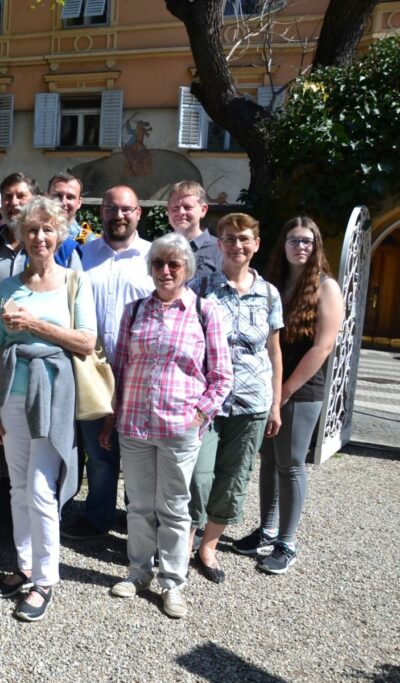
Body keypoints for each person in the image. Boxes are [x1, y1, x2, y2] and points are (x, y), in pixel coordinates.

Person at [0, 197, 97, 622]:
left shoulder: (73, 281)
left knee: (42, 489)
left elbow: (86, 341)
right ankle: (25, 564)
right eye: (32, 230)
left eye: (48, 230)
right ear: (21, 236)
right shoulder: (9, 287)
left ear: (59, 234)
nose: (40, 237)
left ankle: (46, 580)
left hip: (53, 394)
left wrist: (34, 325)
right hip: (10, 392)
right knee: (17, 487)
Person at [105, 232, 232, 619]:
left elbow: (222, 376)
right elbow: (121, 368)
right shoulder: (134, 311)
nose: (165, 271)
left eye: (173, 264)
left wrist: (198, 415)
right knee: (140, 505)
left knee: (175, 509)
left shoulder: (204, 312)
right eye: (158, 263)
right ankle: (139, 571)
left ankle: (172, 582)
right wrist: (114, 416)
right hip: (136, 425)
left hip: (179, 427)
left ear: (186, 270)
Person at [234, 216, 343, 574]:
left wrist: (285, 391)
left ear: (316, 247)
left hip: (302, 388)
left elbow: (322, 347)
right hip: (269, 386)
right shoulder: (274, 284)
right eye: (294, 240)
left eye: (307, 242)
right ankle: (266, 530)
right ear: (282, 244)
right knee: (268, 460)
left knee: (292, 463)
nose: (301, 247)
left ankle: (287, 542)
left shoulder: (326, 287)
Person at [187, 213, 284, 583]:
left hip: (252, 400)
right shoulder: (202, 286)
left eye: (244, 239)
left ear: (256, 243)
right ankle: (187, 541)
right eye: (229, 239)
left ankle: (208, 547)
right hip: (206, 400)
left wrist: (275, 403)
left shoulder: (269, 293)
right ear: (219, 243)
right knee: (198, 475)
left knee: (235, 477)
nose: (237, 245)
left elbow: (273, 351)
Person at [64, 185, 154, 540]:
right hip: (93, 372)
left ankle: (137, 524)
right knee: (98, 454)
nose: (118, 215)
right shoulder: (83, 256)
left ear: (139, 213)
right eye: (111, 208)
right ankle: (97, 518)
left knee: (138, 456)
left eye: (126, 209)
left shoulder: (153, 256)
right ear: (100, 212)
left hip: (138, 374)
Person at [0, 173, 80, 285]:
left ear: (36, 200)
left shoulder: (65, 249)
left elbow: (76, 294)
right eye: (8, 197)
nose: (14, 203)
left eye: (21, 196)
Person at [166, 180, 220, 279]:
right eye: (175, 207)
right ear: (168, 210)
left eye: (187, 207)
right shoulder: (159, 249)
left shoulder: (220, 249)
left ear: (203, 210)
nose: (181, 212)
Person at [47, 172, 97, 244]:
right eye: (58, 195)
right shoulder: (30, 236)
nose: (63, 202)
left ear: (79, 203)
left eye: (70, 197)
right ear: (46, 197)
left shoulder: (89, 243)